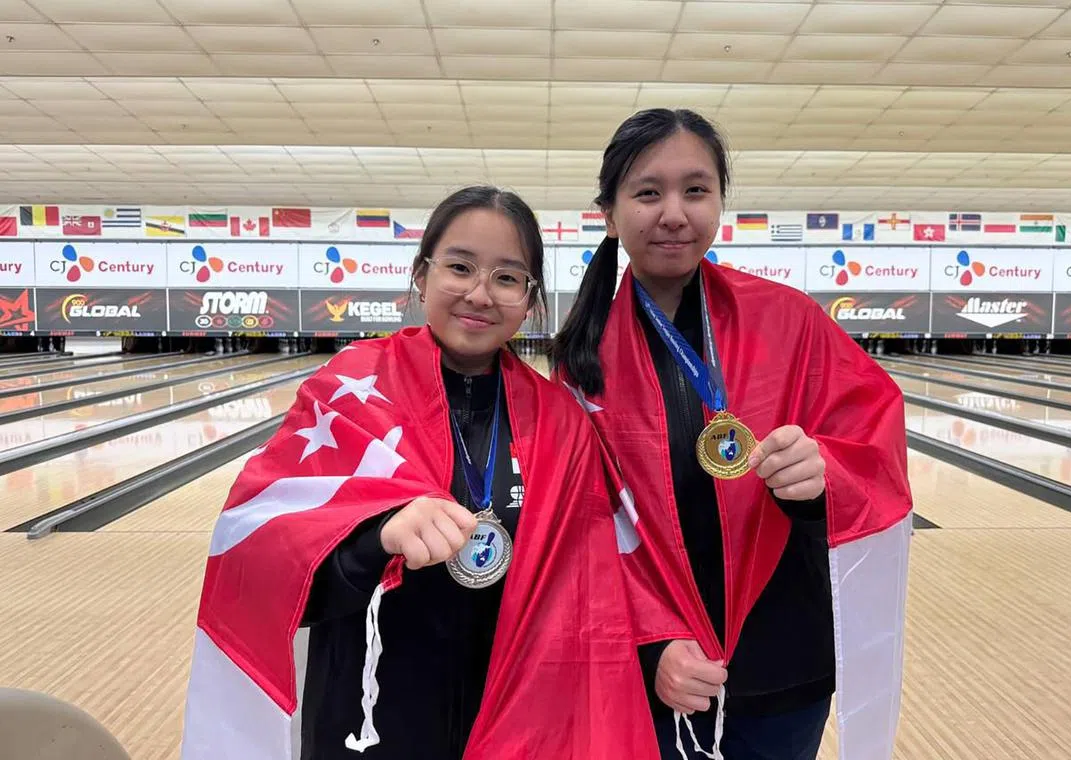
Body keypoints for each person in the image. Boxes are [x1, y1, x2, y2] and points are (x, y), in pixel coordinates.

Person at [180, 186, 661, 760]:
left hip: (518, 711)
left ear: (531, 301)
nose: (480, 294)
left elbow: (593, 587)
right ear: (421, 275)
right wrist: (375, 540)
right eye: (460, 267)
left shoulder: (561, 421)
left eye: (508, 278)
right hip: (371, 721)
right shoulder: (348, 394)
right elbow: (264, 568)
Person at [552, 109, 914, 760]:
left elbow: (872, 444)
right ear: (608, 213)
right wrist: (651, 645)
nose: (673, 212)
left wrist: (822, 473)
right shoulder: (582, 359)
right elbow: (586, 531)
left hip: (784, 665)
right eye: (647, 192)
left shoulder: (790, 320)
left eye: (696, 190)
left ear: (720, 201)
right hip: (656, 675)